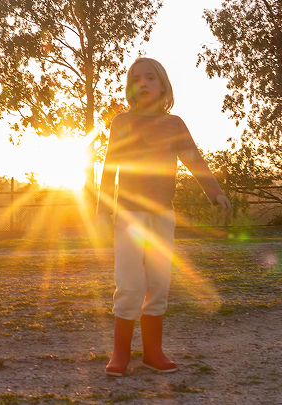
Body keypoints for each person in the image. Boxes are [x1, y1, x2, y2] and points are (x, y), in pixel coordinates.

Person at [97, 57, 231, 377]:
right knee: (130, 283)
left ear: (163, 86)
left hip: (163, 215)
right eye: (136, 79)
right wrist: (103, 210)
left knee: (158, 282)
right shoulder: (122, 122)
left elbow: (194, 160)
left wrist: (215, 192)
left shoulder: (175, 125)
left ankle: (153, 352)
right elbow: (110, 167)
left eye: (150, 78)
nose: (142, 83)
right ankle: (120, 353)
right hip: (129, 215)